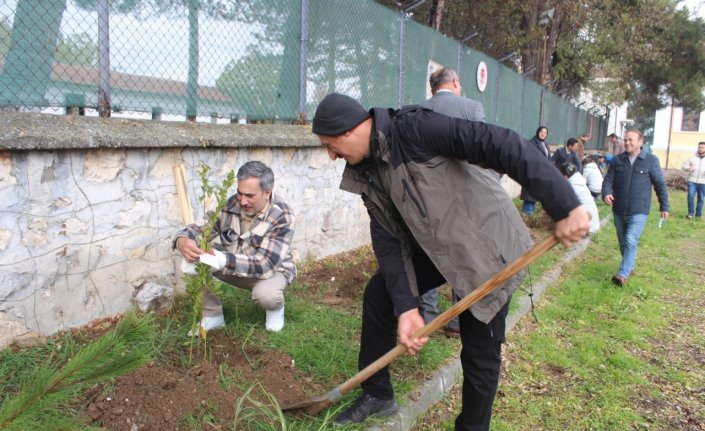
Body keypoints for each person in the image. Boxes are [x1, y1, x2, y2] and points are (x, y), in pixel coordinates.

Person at [311, 93, 590, 429]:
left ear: (347, 131)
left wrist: (564, 204)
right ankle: (378, 394)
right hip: (438, 245)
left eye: (329, 145)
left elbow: (504, 144)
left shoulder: (415, 129)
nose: (330, 155)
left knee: (478, 348)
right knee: (381, 293)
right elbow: (388, 242)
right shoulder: (366, 171)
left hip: (485, 246)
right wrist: (407, 307)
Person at [173, 161, 296, 333]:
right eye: (239, 193)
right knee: (193, 261)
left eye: (250, 196)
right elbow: (203, 225)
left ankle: (275, 309)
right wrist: (182, 239)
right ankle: (212, 316)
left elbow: (266, 264)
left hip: (272, 272)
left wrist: (223, 259)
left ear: (267, 193)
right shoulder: (232, 204)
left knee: (266, 295)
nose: (242, 201)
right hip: (233, 264)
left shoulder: (282, 215)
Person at [417, 66, 489, 339]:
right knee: (463, 255)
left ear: (433, 87)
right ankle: (457, 321)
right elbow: (484, 150)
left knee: (428, 254)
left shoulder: (416, 111)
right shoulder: (472, 109)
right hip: (465, 198)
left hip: (428, 198)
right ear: (456, 82)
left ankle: (428, 318)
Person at [602, 129, 669, 287]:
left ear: (640, 142)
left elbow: (659, 184)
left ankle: (622, 274)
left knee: (631, 240)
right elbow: (608, 180)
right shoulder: (618, 160)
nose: (627, 142)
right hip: (619, 208)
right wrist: (606, 193)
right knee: (623, 242)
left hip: (639, 209)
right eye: (625, 140)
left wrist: (664, 206)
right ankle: (629, 266)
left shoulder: (651, 160)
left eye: (631, 140)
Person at [558, 161, 600, 233]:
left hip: (586, 228)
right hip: (593, 223)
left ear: (565, 177)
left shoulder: (572, 187)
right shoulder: (579, 182)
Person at [521, 126, 551, 215]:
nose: (543, 134)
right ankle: (527, 216)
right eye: (541, 132)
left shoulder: (544, 144)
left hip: (541, 173)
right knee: (529, 197)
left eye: (545, 133)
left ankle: (529, 217)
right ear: (537, 132)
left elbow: (548, 158)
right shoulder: (532, 143)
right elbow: (529, 158)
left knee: (533, 196)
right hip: (532, 173)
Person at [681, 141, 705, 219]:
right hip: (692, 181)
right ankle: (690, 214)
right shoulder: (692, 158)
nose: (700, 149)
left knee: (701, 198)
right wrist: (688, 168)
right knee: (690, 197)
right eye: (699, 147)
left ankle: (698, 215)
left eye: (702, 147)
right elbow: (683, 166)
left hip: (703, 182)